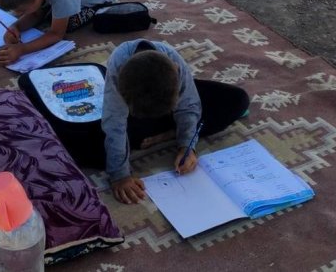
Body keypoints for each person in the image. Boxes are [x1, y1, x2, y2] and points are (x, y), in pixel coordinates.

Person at [102, 40, 249, 205]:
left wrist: (187, 145)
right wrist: (120, 176)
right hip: (136, 112)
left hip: (167, 105)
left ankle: (169, 134)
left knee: (238, 100)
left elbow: (189, 106)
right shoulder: (119, 66)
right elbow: (114, 123)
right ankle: (169, 132)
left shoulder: (174, 61)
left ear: (176, 70)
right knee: (96, 149)